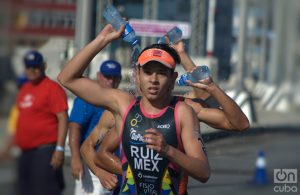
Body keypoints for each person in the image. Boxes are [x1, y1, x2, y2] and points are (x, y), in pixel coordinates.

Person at [58, 24, 210, 194]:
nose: (153, 79)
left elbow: (203, 172)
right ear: (138, 75)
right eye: (148, 72)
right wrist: (102, 40)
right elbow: (67, 78)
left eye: (161, 73)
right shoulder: (124, 105)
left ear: (172, 78)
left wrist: (168, 150)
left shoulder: (182, 112)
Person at [2, 50, 68, 195]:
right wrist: (8, 147)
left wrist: (60, 149)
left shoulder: (52, 88)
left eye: (36, 67)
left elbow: (63, 118)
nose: (32, 70)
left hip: (44, 152)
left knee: (45, 191)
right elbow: (20, 122)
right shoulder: (24, 89)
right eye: (29, 67)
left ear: (43, 66)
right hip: (25, 153)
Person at [68, 60, 121, 195]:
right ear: (98, 76)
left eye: (115, 77)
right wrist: (75, 157)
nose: (111, 81)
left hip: (112, 163)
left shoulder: (120, 101)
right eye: (107, 77)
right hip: (90, 161)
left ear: (120, 78)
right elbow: (74, 127)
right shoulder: (87, 99)